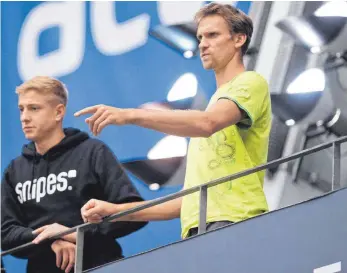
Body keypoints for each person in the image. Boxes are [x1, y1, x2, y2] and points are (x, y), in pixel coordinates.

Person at [76, 3, 272, 239]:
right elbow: (186, 200)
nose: (202, 44)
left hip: (235, 220)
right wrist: (116, 211)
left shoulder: (249, 82)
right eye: (200, 37)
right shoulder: (211, 109)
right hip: (198, 230)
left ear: (239, 39)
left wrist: (130, 115)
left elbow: (207, 123)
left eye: (212, 35)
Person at [1, 76, 147, 273]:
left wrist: (75, 235)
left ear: (58, 112)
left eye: (34, 108)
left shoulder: (93, 152)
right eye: (21, 109)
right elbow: (6, 234)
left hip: (100, 266)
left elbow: (133, 214)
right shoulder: (14, 170)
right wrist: (50, 239)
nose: (24, 117)